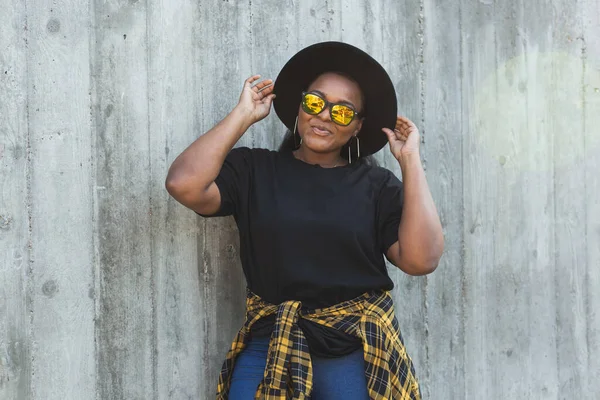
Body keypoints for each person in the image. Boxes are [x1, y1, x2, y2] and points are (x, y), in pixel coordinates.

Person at [165, 42, 444, 400]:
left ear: (358, 127)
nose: (325, 116)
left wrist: (410, 161)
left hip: (348, 352)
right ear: (299, 107)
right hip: (270, 345)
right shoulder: (254, 170)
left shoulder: (377, 187)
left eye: (343, 112)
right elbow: (183, 184)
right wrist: (243, 115)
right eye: (315, 102)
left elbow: (421, 260)